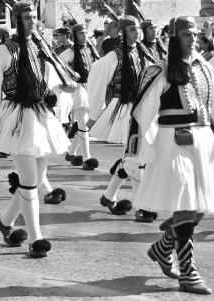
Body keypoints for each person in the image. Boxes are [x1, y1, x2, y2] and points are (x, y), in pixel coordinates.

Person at [134, 16, 214, 295]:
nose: (192, 38)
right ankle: (187, 270)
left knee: (202, 204)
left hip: (202, 140)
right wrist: (139, 151)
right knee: (185, 204)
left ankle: (162, 247)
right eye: (185, 34)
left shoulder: (205, 66)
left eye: (194, 34)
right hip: (174, 140)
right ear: (173, 37)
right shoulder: (160, 69)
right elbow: (142, 112)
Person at [0, 1, 76, 258]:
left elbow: (45, 82)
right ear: (17, 20)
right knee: (29, 180)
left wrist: (62, 87)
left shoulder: (41, 49)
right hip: (17, 116)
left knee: (35, 180)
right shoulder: (2, 53)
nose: (31, 21)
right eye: (26, 17)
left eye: (33, 17)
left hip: (40, 116)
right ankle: (36, 238)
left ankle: (5, 221)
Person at [87, 15, 159, 222]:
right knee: (136, 157)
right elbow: (98, 82)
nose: (137, 33)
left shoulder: (145, 52)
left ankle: (108, 196)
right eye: (132, 30)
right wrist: (94, 114)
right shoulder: (113, 57)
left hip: (143, 109)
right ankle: (142, 205)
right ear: (122, 32)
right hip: (125, 111)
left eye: (138, 29)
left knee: (134, 156)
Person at [63, 24, 102, 173]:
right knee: (84, 125)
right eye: (81, 33)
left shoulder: (91, 49)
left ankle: (71, 153)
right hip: (79, 90)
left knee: (85, 125)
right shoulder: (69, 52)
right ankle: (87, 159)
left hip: (91, 88)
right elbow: (59, 65)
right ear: (75, 35)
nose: (84, 35)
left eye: (86, 33)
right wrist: (70, 75)